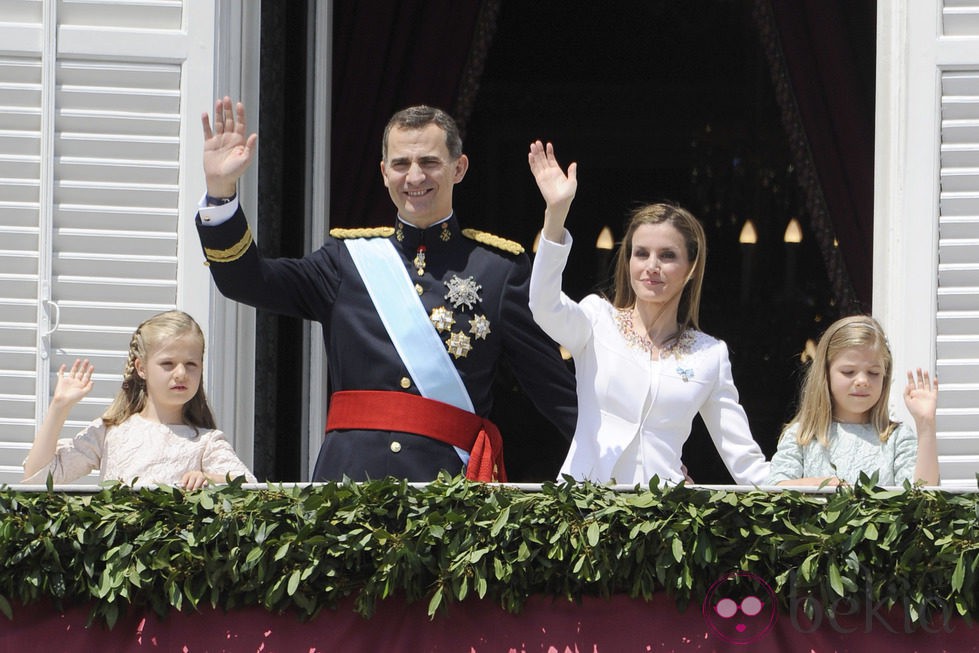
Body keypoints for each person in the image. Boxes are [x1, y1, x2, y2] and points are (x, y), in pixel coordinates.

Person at [195, 98, 577, 482]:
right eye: (400, 164)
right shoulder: (345, 261)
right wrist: (221, 191)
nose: (414, 177)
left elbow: (555, 392)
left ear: (458, 168)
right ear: (383, 172)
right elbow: (246, 281)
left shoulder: (498, 271)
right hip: (346, 489)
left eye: (429, 162)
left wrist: (622, 478)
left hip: (450, 496)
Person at [527, 141, 769, 485]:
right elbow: (543, 305)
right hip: (583, 512)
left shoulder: (710, 355)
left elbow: (746, 463)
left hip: (664, 519)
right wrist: (556, 215)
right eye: (641, 254)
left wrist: (805, 488)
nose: (651, 267)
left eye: (667, 256)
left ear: (690, 268)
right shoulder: (597, 320)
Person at [23, 310, 257, 488]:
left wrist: (209, 479)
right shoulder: (109, 432)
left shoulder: (207, 442)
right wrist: (59, 408)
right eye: (168, 363)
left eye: (191, 364)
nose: (181, 373)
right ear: (141, 368)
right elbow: (38, 478)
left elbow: (250, 488)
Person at [767, 315, 939, 486]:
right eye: (849, 371)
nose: (862, 381)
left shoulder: (897, 438)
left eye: (873, 373)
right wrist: (822, 486)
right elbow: (777, 488)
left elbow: (922, 496)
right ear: (825, 374)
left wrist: (926, 425)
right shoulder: (801, 436)